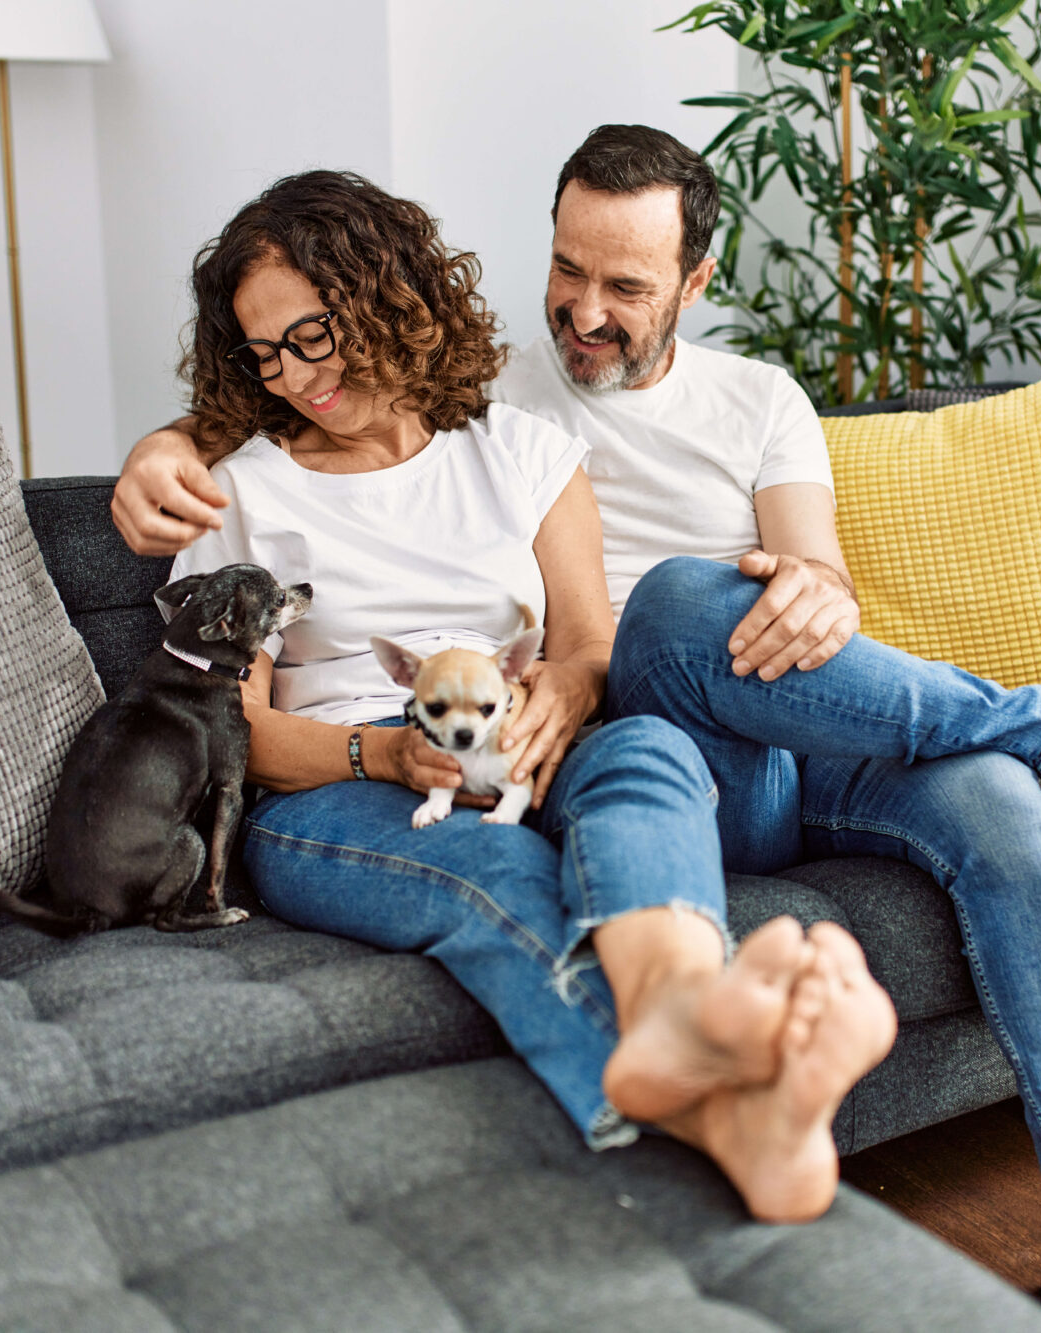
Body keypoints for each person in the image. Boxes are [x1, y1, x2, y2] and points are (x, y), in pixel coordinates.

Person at [115, 129, 1041, 1333]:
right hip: (546, 737)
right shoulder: (469, 396)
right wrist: (170, 440)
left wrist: (805, 593)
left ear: (694, 282)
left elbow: (795, 591)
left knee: (988, 802)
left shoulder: (742, 404)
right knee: (644, 657)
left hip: (769, 719)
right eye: (564, 269)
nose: (582, 310)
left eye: (621, 285)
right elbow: (269, 551)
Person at [156, 168, 896, 1226]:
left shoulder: (523, 452)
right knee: (499, 861)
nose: (293, 377)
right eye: (265, 352)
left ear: (390, 295)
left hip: (517, 742)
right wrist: (386, 757)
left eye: (312, 336)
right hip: (335, 784)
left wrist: (564, 686)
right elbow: (231, 734)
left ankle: (683, 1018)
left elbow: (592, 643)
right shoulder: (235, 489)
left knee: (650, 752)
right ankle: (717, 1100)